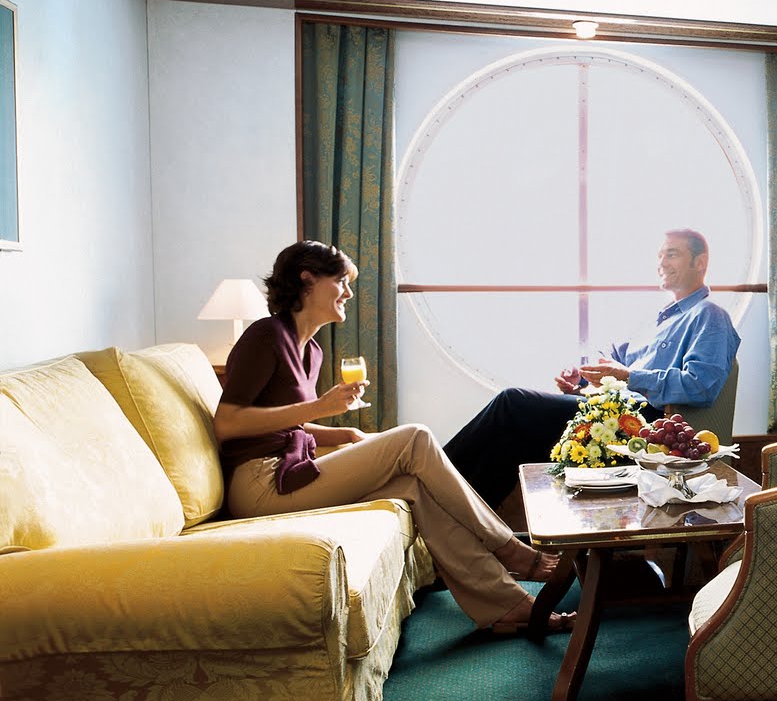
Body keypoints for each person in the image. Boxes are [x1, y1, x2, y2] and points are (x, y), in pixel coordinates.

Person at [213, 240, 572, 636]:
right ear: (307, 279)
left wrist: (343, 431)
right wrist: (319, 408)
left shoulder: (311, 350)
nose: (349, 293)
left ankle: (508, 606)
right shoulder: (265, 336)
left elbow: (284, 425)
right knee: (414, 438)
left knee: (412, 486)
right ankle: (511, 550)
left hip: (290, 471)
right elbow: (228, 423)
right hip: (258, 485)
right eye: (341, 282)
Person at [445, 228, 740, 508]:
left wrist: (630, 376)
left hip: (646, 425)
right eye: (660, 255)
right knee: (512, 441)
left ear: (700, 262)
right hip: (610, 413)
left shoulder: (709, 315)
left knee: (512, 402)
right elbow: (612, 360)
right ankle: (467, 526)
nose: (661, 262)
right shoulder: (655, 322)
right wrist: (582, 382)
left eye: (672, 254)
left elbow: (701, 386)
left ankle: (431, 475)